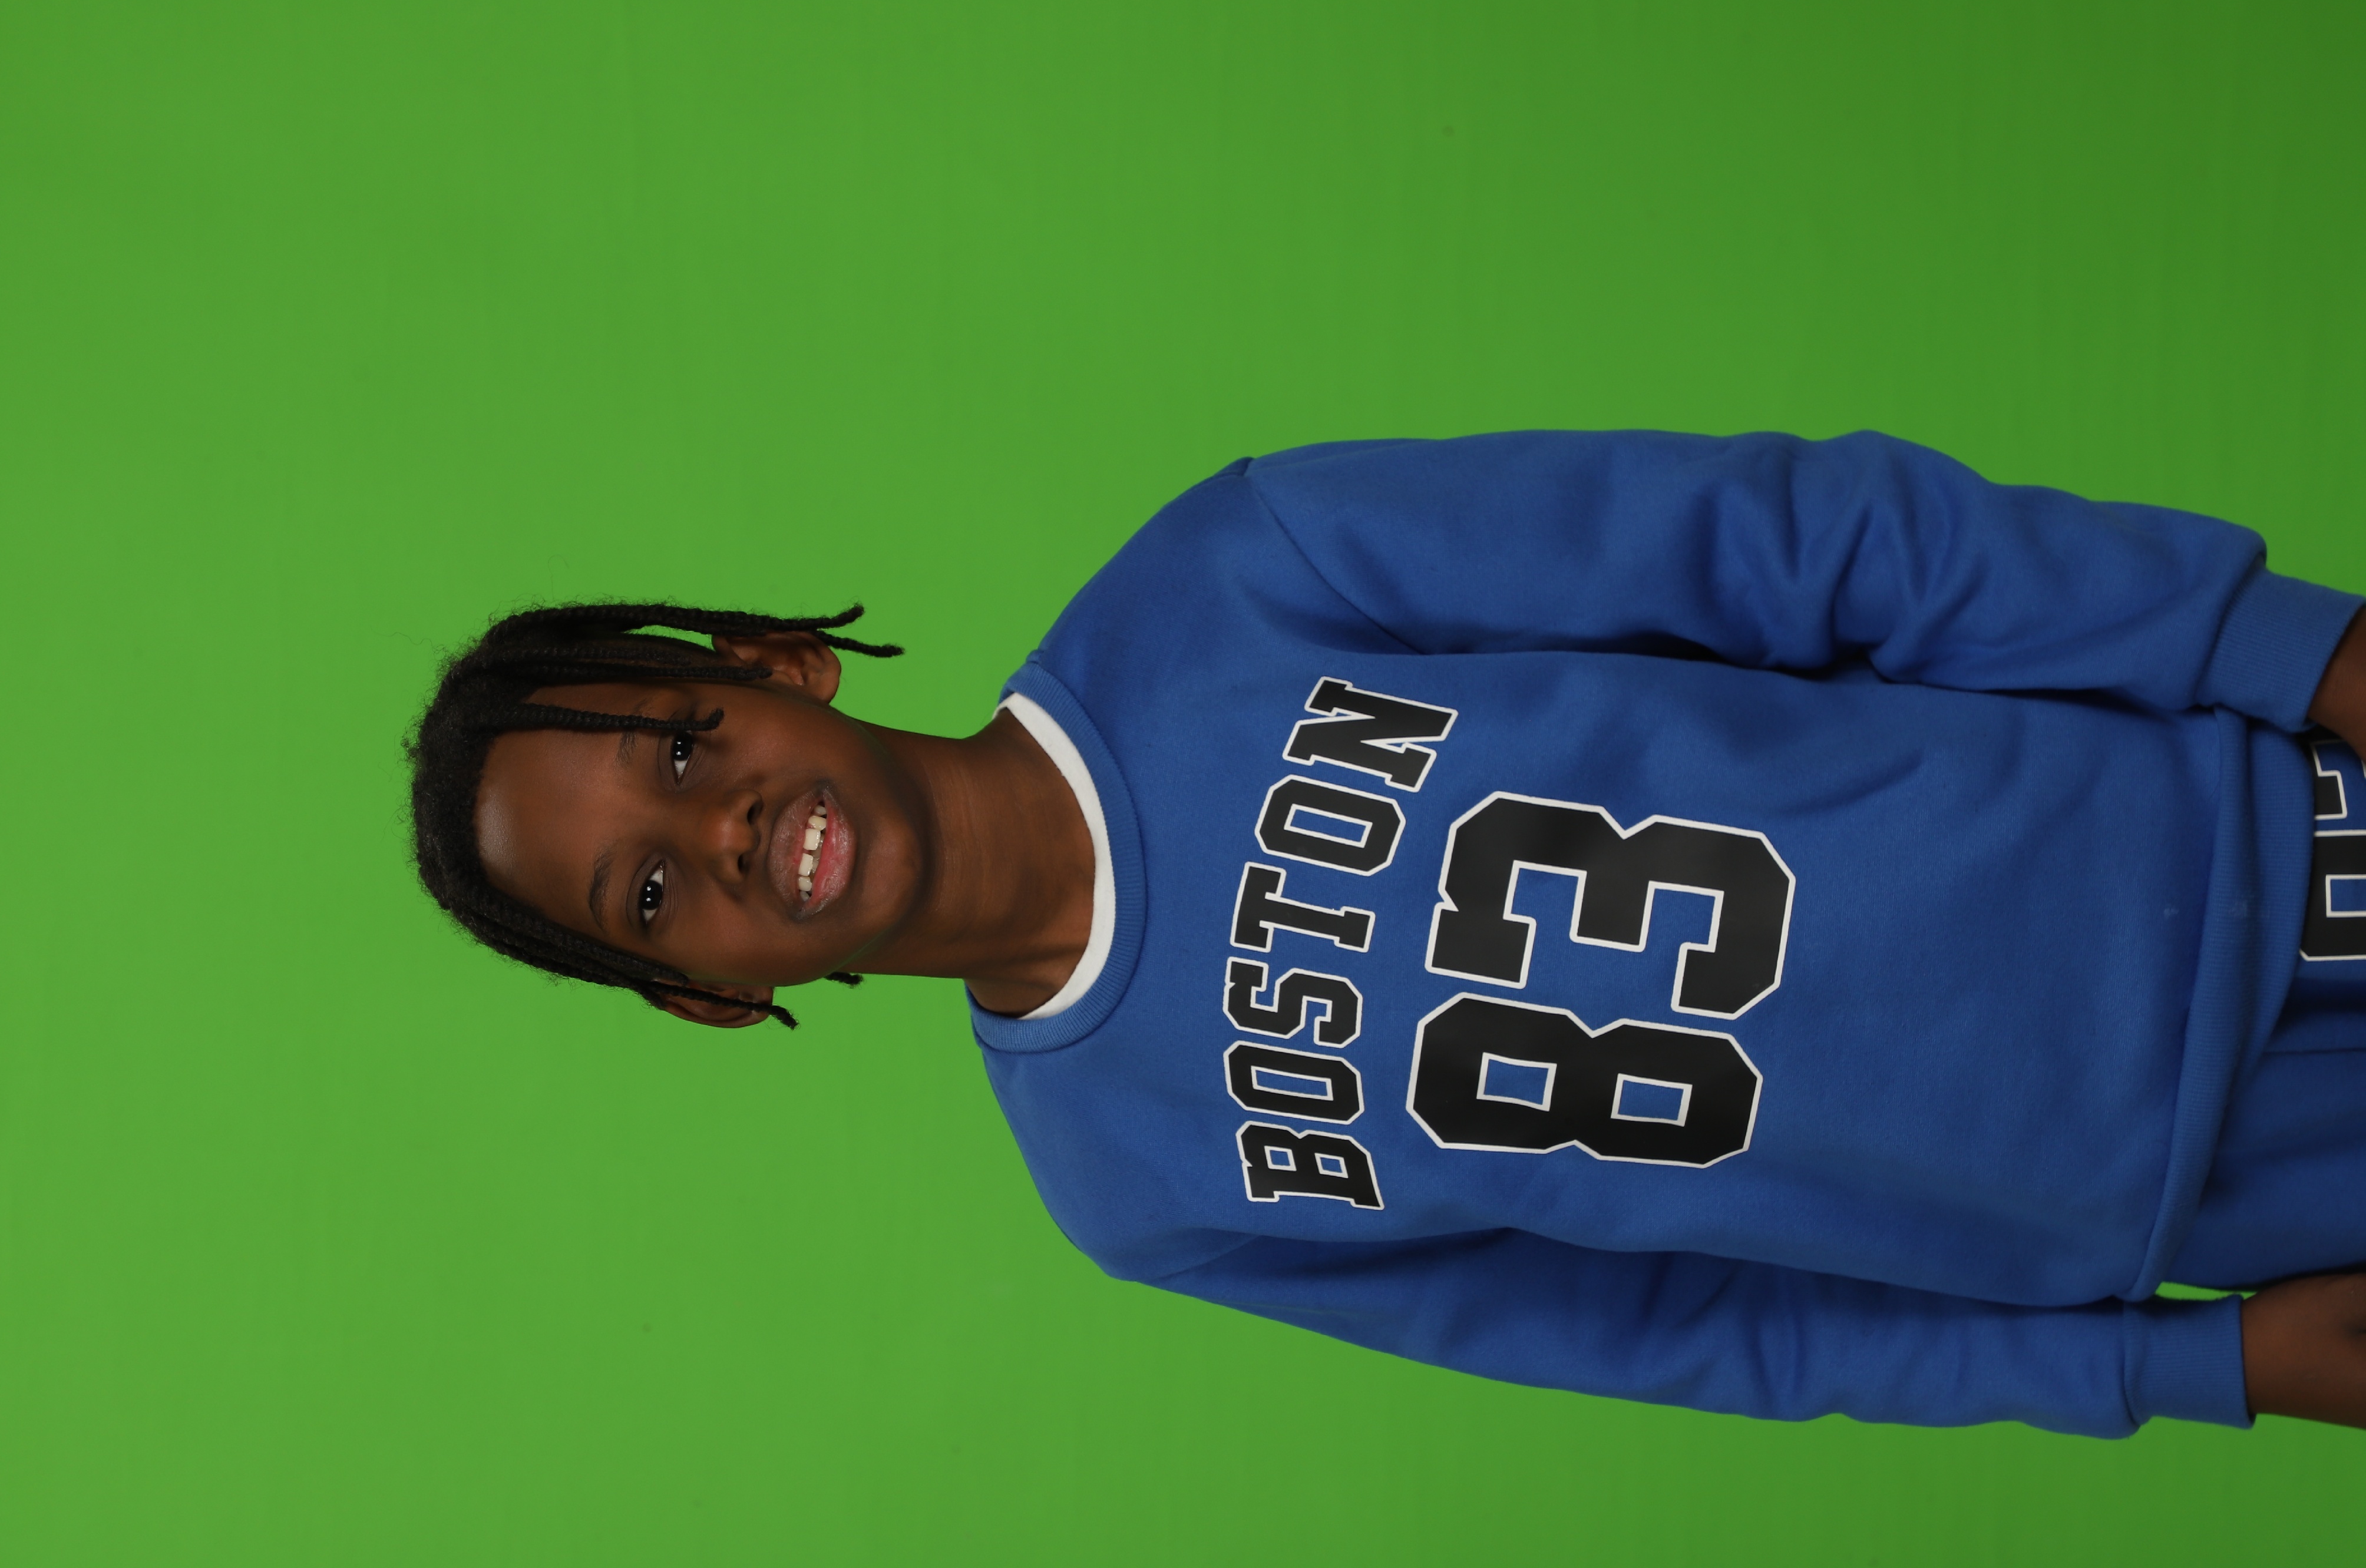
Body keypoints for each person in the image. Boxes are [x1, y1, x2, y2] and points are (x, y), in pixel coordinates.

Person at [408, 429, 2366, 1438]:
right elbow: (1696, 1332)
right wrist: (2190, 1371)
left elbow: (1802, 544)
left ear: (772, 664)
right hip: (2203, 1201)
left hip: (2267, 851)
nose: (722, 829)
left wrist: (2294, 649)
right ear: (704, 996)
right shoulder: (1134, 1189)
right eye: (648, 894)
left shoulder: (1236, 572)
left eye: (683, 744)